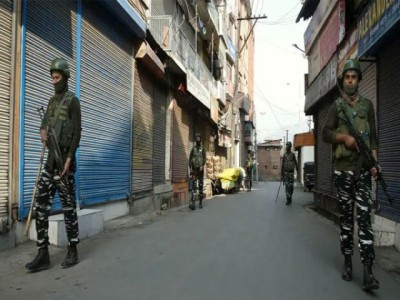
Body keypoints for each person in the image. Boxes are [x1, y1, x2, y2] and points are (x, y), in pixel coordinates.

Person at [322, 59, 379, 291]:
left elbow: (373, 137)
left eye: (354, 77)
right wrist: (343, 138)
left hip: (363, 171)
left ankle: (368, 272)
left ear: (358, 80)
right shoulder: (337, 107)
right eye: (347, 77)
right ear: (343, 80)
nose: (351, 80)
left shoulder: (367, 105)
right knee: (346, 220)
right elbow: (325, 133)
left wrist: (374, 163)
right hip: (343, 171)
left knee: (364, 220)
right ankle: (347, 263)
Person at [26, 58, 82, 272]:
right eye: (52, 78)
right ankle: (43, 253)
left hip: (64, 164)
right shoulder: (50, 102)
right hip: (49, 164)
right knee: (40, 206)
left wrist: (68, 159)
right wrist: (42, 131)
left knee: (68, 209)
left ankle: (73, 249)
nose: (53, 81)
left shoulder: (72, 101)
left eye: (56, 77)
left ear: (65, 77)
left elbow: (77, 133)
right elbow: (45, 124)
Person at [189, 133, 206, 209]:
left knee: (200, 186)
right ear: (195, 140)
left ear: (200, 140)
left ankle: (200, 203)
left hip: (200, 170)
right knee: (193, 187)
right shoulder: (193, 149)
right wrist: (190, 168)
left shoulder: (203, 149)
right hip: (194, 170)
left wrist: (202, 165)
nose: (198, 140)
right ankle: (193, 202)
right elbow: (190, 159)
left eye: (199, 139)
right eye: (196, 139)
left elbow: (204, 158)